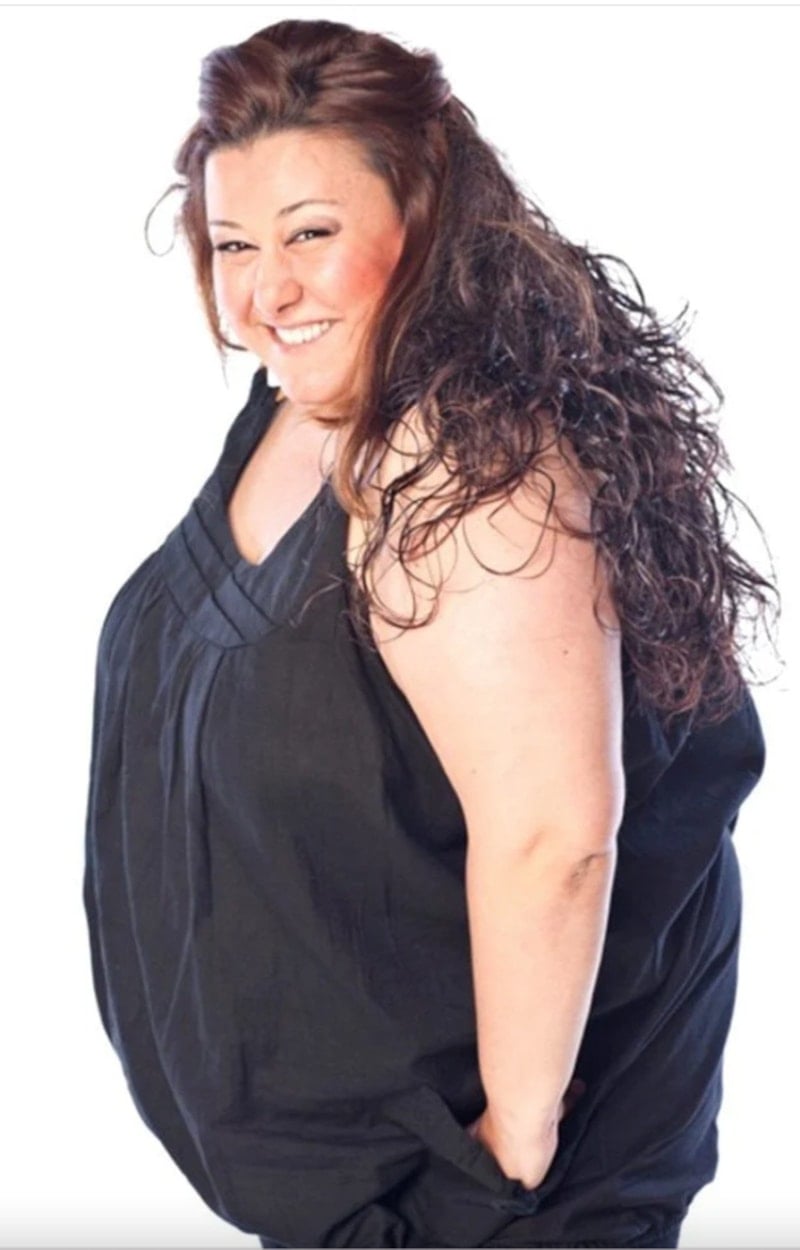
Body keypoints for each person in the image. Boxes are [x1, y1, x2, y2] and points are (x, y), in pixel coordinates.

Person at [82, 17, 778, 1250]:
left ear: (422, 212)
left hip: (488, 1206)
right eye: (234, 243)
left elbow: (554, 838)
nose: (265, 292)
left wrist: (509, 1149)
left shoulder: (467, 469)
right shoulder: (304, 407)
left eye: (310, 233)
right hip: (373, 1199)